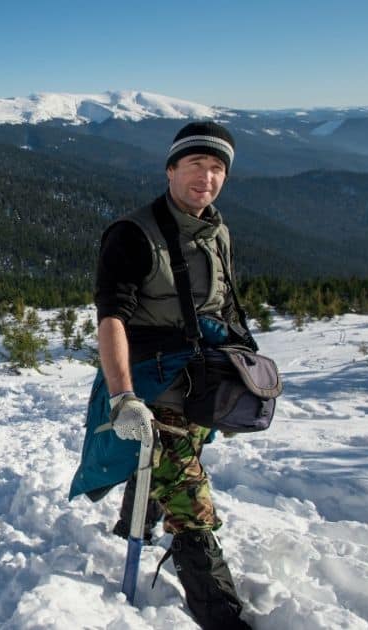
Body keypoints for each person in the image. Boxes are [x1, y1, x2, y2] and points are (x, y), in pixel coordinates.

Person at [69, 122, 251, 629]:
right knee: (191, 502)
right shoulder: (133, 234)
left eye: (218, 168)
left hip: (200, 384)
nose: (207, 178)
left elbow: (219, 308)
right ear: (170, 169)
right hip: (152, 385)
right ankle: (222, 615)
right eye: (195, 165)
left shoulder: (216, 231)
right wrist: (124, 396)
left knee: (173, 462)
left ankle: (132, 524)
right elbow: (111, 319)